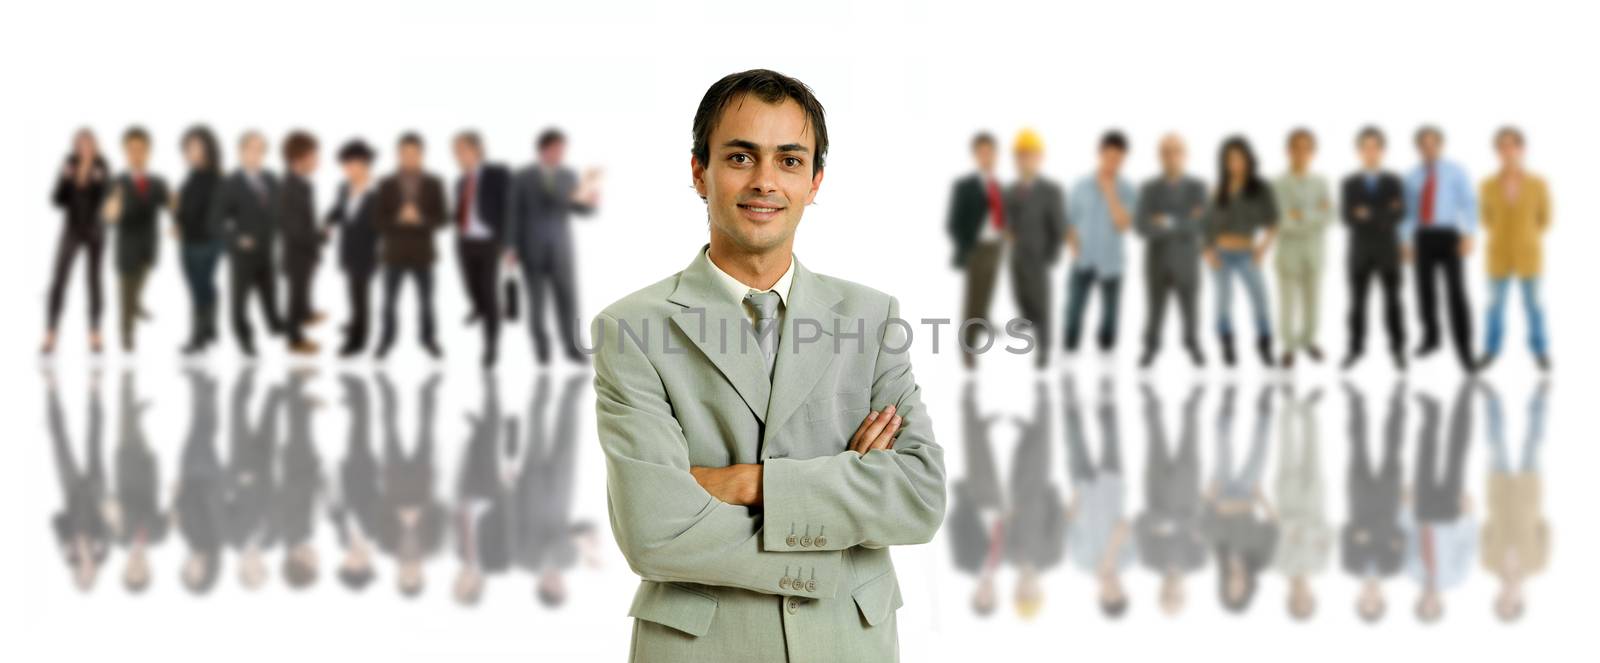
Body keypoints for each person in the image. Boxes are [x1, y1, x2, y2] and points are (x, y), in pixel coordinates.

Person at [591, 69, 945, 662]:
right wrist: (844, 495)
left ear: (815, 180)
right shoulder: (631, 329)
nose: (764, 182)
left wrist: (749, 484)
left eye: (788, 160)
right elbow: (654, 533)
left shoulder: (872, 317)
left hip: (848, 645)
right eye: (739, 156)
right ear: (700, 171)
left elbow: (919, 496)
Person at [508, 128, 601, 365]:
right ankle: (542, 349)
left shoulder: (567, 176)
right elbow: (513, 214)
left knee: (567, 300)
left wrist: (590, 201)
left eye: (562, 149)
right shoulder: (523, 177)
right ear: (544, 149)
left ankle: (571, 348)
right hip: (532, 249)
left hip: (561, 249)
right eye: (557, 149)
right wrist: (510, 247)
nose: (560, 153)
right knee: (536, 303)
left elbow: (577, 208)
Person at [1401, 126, 1477, 372]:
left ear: (1441, 145)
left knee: (1456, 293)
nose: (1429, 148)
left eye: (1433, 143)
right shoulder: (1411, 176)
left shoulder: (1456, 171)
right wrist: (1404, 241)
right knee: (1425, 292)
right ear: (1418, 148)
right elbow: (1408, 213)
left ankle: (1465, 350)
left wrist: (1469, 234)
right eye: (1424, 144)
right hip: (1423, 236)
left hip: (1450, 235)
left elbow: (1469, 204)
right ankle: (1431, 338)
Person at [1477, 127, 1553, 372]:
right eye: (1502, 146)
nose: (1508, 150)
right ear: (1497, 152)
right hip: (1498, 253)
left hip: (1529, 255)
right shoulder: (1486, 184)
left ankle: (1540, 350)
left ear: (1521, 149)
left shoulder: (1538, 183)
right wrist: (1503, 236)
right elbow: (1484, 219)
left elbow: (1545, 219)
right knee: (1494, 305)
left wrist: (1526, 237)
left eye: (1512, 145)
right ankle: (1491, 349)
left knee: (1534, 304)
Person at [1403, 382, 1477, 624]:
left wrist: (1405, 506)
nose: (1430, 602)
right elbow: (1468, 545)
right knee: (1457, 453)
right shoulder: (1456, 577)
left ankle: (1431, 411)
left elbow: (1407, 536)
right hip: (1449, 514)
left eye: (1425, 607)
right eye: (1433, 608)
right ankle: (1465, 396)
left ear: (1418, 602)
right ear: (1440, 605)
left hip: (1422, 511)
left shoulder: (1411, 573)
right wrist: (1468, 515)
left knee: (1424, 458)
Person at [1202, 137, 1278, 367]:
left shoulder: (1262, 188)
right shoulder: (1218, 190)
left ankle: (1264, 343)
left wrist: (1263, 248)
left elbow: (1273, 222)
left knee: (1260, 298)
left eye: (1239, 158)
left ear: (1248, 159)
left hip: (1247, 252)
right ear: (1224, 163)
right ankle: (1227, 342)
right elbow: (1206, 225)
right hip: (1220, 253)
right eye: (1230, 159)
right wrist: (1207, 251)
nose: (1235, 163)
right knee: (1223, 300)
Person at [1063, 375, 1134, 619]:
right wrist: (1110, 558)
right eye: (1118, 591)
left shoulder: (1081, 563)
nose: (1112, 587)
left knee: (1073, 432)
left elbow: (1069, 523)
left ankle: (1067, 382)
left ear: (1100, 595)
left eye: (1108, 593)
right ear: (1124, 590)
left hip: (1082, 486)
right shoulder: (1128, 559)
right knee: (1110, 429)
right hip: (1111, 484)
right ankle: (1106, 379)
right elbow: (1124, 526)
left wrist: (1075, 494)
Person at [1134, 134, 1208, 369]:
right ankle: (1151, 346)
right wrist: (1184, 221)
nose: (1171, 156)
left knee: (1191, 308)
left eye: (1176, 151)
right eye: (1166, 152)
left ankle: (1192, 343)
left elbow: (1202, 225)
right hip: (1156, 261)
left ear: (1185, 155)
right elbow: (1141, 226)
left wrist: (1165, 221)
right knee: (1154, 308)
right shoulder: (1148, 188)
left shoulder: (1198, 187)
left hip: (1187, 261)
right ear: (1159, 156)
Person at [1203, 385, 1278, 613]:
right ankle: (1264, 407)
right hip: (1248, 495)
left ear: (1223, 586)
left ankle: (1226, 407)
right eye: (1240, 592)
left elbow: (1206, 511)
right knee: (1260, 451)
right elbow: (1274, 526)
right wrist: (1261, 498)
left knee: (1222, 451)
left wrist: (1212, 496)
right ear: (1248, 590)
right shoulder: (1262, 561)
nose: (1236, 585)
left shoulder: (1216, 552)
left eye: (1229, 590)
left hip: (1222, 491)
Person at [1479, 380, 1549, 623]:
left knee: (1496, 444)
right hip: (1529, 493)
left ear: (1497, 597)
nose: (1507, 598)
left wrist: (1498, 512)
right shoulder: (1538, 564)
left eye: (1502, 602)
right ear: (1521, 600)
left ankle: (1491, 400)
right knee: (1532, 443)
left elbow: (1485, 530)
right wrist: (1531, 513)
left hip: (1498, 493)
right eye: (1512, 603)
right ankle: (1540, 398)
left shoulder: (1487, 563)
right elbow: (1546, 530)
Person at [373, 132, 448, 360]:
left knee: (426, 302)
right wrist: (398, 218)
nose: (409, 157)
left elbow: (444, 218)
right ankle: (386, 340)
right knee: (388, 302)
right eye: (405, 153)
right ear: (398, 155)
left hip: (423, 254)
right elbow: (377, 220)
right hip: (393, 254)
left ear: (422, 155)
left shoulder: (435, 182)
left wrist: (421, 219)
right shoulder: (385, 183)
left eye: (414, 153)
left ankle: (428, 339)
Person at [209, 130, 283, 357]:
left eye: (261, 150)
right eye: (251, 149)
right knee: (240, 301)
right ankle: (244, 337)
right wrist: (237, 239)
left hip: (268, 250)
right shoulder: (229, 183)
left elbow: (280, 211)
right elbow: (214, 222)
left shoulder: (271, 178)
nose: (256, 154)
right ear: (241, 152)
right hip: (243, 253)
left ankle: (275, 326)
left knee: (270, 294)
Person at [1135, 384, 1207, 617]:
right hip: (1188, 489)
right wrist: (1169, 525)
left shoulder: (1148, 560)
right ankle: (1191, 407)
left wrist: (1173, 524)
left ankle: (1151, 399)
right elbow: (1202, 523)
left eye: (1167, 597)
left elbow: (1141, 523)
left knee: (1154, 437)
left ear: (1160, 592)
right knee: (1190, 440)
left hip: (1156, 489)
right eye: (1177, 598)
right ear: (1185, 594)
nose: (1171, 592)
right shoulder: (1198, 561)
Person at [1340, 127, 1409, 370]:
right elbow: (1346, 218)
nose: (1370, 152)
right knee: (1357, 304)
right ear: (1359, 152)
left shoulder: (1394, 181)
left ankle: (1398, 349)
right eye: (1365, 147)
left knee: (1393, 302)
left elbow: (1400, 214)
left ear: (1382, 150)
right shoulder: (1348, 182)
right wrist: (1384, 212)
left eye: (1375, 147)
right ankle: (1355, 349)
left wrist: (1367, 213)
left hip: (1388, 251)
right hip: (1359, 252)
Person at [1064, 131, 1135, 357]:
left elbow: (1124, 225)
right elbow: (1069, 221)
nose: (1112, 163)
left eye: (1118, 158)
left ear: (1124, 159)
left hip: (1112, 264)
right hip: (1083, 260)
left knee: (1110, 320)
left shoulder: (1129, 190)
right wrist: (1072, 242)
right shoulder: (1080, 185)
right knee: (1072, 314)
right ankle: (1069, 352)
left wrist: (1110, 193)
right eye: (1109, 156)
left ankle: (1107, 359)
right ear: (1100, 153)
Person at [1340, 382, 1407, 624]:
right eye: (1375, 603)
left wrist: (1377, 535)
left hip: (1359, 497)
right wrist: (1369, 534)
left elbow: (1346, 531)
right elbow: (1400, 533)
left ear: (1358, 598)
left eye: (1365, 603)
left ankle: (1355, 400)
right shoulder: (1393, 567)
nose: (1370, 598)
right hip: (1389, 498)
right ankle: (1398, 399)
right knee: (1394, 447)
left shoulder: (1350, 565)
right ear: (1382, 599)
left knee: (1357, 445)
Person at [377, 371, 447, 597]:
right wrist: (420, 512)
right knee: (427, 429)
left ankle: (386, 389)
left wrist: (399, 514)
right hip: (422, 481)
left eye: (404, 577)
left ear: (397, 575)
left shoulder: (386, 546)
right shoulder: (434, 547)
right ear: (422, 576)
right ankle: (427, 390)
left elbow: (378, 510)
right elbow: (443, 511)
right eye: (414, 577)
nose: (409, 571)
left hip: (394, 480)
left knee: (389, 430)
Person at [43, 129, 111, 355]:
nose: (84, 148)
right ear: (75, 146)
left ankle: (95, 333)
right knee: (59, 278)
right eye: (80, 144)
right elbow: (56, 201)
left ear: (94, 145)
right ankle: (51, 333)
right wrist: (65, 178)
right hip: (71, 229)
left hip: (95, 230)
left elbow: (106, 200)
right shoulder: (69, 164)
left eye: (88, 143)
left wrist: (100, 183)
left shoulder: (102, 165)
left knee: (94, 281)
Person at [103, 127, 171, 353]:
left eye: (141, 149)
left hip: (149, 246)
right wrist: (112, 209)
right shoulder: (117, 182)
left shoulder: (158, 181)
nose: (136, 154)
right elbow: (108, 216)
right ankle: (127, 334)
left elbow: (172, 205)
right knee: (126, 294)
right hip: (127, 247)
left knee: (140, 283)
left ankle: (137, 305)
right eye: (132, 149)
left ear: (149, 151)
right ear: (125, 152)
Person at [1006, 128, 1069, 369]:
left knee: (1042, 304)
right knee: (1021, 293)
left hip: (1038, 257)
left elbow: (1058, 226)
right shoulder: (1012, 190)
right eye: (1021, 155)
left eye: (1030, 155)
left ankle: (1044, 348)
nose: (1025, 160)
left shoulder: (1049, 191)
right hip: (1018, 256)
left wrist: (1050, 256)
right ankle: (1027, 320)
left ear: (1039, 158)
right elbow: (1009, 218)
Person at [451, 131, 514, 368]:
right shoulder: (460, 181)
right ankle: (477, 307)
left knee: (489, 293)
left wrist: (509, 245)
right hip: (464, 242)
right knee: (471, 286)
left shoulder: (497, 174)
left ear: (476, 149)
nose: (458, 155)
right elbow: (460, 210)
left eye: (462, 150)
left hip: (489, 243)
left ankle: (491, 347)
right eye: (455, 152)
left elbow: (509, 209)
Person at [1272, 128, 1334, 368]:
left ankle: (1308, 341)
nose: (1301, 152)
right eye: (1296, 147)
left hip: (1315, 253)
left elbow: (1331, 217)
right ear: (1288, 151)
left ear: (1313, 152)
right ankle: (1288, 348)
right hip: (1288, 254)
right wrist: (1314, 216)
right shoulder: (1277, 184)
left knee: (1314, 302)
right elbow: (1281, 221)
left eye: (1306, 148)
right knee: (1287, 304)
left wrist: (1301, 215)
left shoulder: (1321, 182)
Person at [945, 132, 1006, 369]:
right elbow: (954, 221)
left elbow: (1001, 213)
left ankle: (983, 321)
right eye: (982, 153)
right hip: (976, 249)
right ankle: (968, 346)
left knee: (988, 290)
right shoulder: (966, 186)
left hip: (996, 246)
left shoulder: (997, 184)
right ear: (976, 155)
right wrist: (967, 246)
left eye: (990, 152)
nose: (987, 157)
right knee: (973, 298)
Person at [45, 368, 109, 591]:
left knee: (59, 441)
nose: (86, 570)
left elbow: (55, 519)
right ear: (94, 575)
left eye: (81, 575)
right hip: (95, 489)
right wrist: (91, 540)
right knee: (95, 437)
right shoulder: (102, 553)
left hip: (71, 492)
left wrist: (69, 540)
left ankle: (51, 388)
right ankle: (95, 387)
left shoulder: (68, 554)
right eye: (89, 576)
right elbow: (107, 524)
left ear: (75, 573)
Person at [1006, 381, 1064, 621]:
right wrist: (1050, 493)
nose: (1025, 590)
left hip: (1017, 491)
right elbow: (1058, 520)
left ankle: (1027, 428)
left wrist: (1010, 512)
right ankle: (1044, 392)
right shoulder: (1051, 557)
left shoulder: (1010, 557)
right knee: (1042, 443)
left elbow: (1006, 525)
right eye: (1030, 595)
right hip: (1040, 489)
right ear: (1038, 592)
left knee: (1021, 455)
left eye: (1021, 594)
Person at [1272, 386, 1331, 621]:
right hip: (1315, 502)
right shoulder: (1321, 566)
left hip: (1287, 500)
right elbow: (1328, 532)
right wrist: (1301, 531)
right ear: (1313, 597)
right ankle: (1308, 409)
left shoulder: (1279, 565)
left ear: (1289, 599)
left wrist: (1300, 531)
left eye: (1297, 603)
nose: (1301, 597)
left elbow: (1280, 530)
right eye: (1306, 602)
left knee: (1286, 448)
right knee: (1313, 450)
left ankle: (1288, 404)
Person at [948, 378, 1005, 616]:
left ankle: (968, 399)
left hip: (975, 500)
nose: (985, 593)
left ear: (975, 594)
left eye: (980, 598)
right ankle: (981, 424)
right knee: (987, 454)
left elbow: (955, 527)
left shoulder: (965, 562)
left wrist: (966, 502)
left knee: (973, 449)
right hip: (997, 500)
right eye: (988, 598)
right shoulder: (1002, 564)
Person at [324, 140, 381, 357]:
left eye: (350, 164)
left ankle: (358, 340)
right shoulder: (343, 187)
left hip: (368, 254)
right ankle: (355, 323)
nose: (346, 169)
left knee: (361, 297)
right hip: (347, 251)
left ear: (364, 163)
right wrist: (326, 222)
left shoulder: (378, 191)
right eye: (344, 165)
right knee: (352, 293)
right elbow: (338, 211)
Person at [174, 126, 226, 355]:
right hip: (186, 241)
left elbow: (220, 213)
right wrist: (176, 220)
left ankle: (198, 338)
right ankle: (210, 327)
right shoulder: (190, 177)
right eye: (188, 148)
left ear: (207, 148)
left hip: (208, 242)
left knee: (199, 288)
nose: (191, 152)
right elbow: (182, 209)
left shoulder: (218, 177)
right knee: (199, 286)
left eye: (195, 147)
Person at [113, 370, 166, 593]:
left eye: (130, 571)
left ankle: (127, 377)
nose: (136, 566)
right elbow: (153, 510)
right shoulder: (159, 536)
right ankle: (136, 407)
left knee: (126, 424)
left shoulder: (118, 538)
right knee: (135, 428)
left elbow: (132, 509)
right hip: (147, 472)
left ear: (124, 568)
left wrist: (119, 513)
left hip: (125, 469)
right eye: (141, 572)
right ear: (149, 570)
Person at [174, 368, 225, 595]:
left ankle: (208, 388)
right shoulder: (216, 541)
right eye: (195, 574)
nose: (191, 568)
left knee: (201, 429)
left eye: (187, 572)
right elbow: (216, 505)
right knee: (200, 429)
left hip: (187, 475)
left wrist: (175, 496)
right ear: (206, 572)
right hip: (206, 476)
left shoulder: (188, 540)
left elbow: (181, 509)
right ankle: (199, 384)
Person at [328, 373, 381, 592]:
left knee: (354, 432)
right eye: (359, 566)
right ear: (368, 565)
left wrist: (333, 481)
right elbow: (382, 499)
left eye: (348, 565)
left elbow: (334, 513)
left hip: (347, 475)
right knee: (362, 430)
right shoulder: (376, 535)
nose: (353, 560)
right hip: (367, 473)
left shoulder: (341, 541)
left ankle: (354, 398)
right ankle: (360, 389)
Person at [279, 131, 324, 355]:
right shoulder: (288, 187)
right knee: (295, 297)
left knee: (303, 292)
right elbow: (295, 231)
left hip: (305, 254)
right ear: (298, 158)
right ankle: (294, 339)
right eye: (313, 156)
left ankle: (306, 314)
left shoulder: (302, 183)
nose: (317, 161)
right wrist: (321, 236)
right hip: (296, 255)